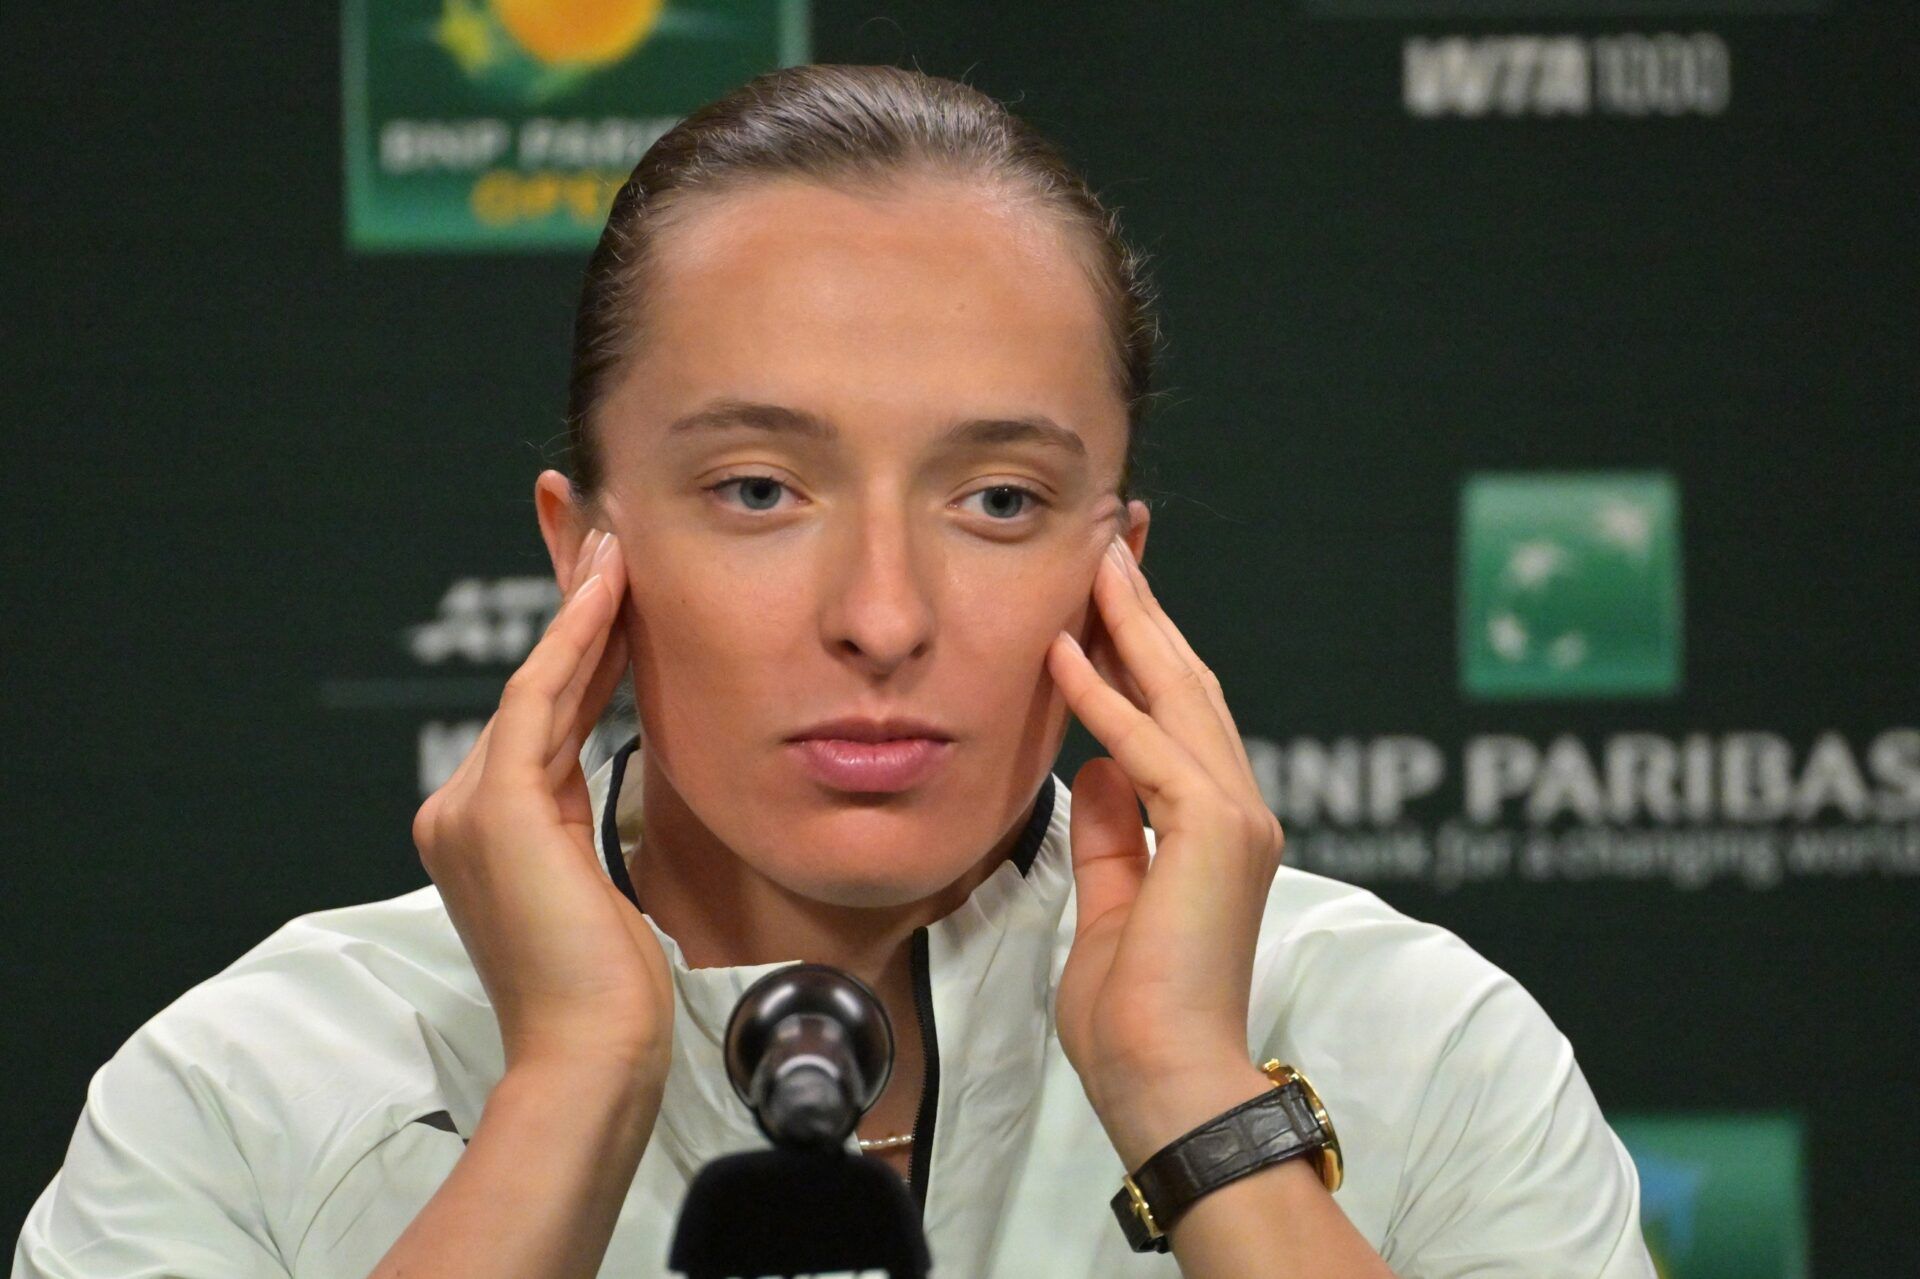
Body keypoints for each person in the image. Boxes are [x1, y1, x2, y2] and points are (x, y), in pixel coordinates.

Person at [13, 64, 1654, 1279]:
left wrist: (1195, 1104)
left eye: (998, 500)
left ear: (1118, 566)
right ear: (583, 551)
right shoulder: (243, 1092)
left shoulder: (1421, 1049)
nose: (882, 614)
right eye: (758, 491)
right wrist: (571, 1083)